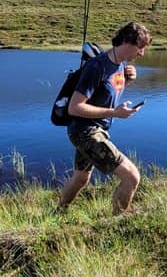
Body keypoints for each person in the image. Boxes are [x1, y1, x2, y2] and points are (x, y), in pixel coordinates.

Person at [57, 21, 151, 213]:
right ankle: (116, 224)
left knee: (81, 177)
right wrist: (115, 113)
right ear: (126, 42)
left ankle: (59, 211)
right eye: (140, 48)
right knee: (132, 176)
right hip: (85, 132)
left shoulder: (119, 64)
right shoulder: (97, 66)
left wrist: (127, 79)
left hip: (95, 129)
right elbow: (75, 107)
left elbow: (105, 93)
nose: (142, 53)